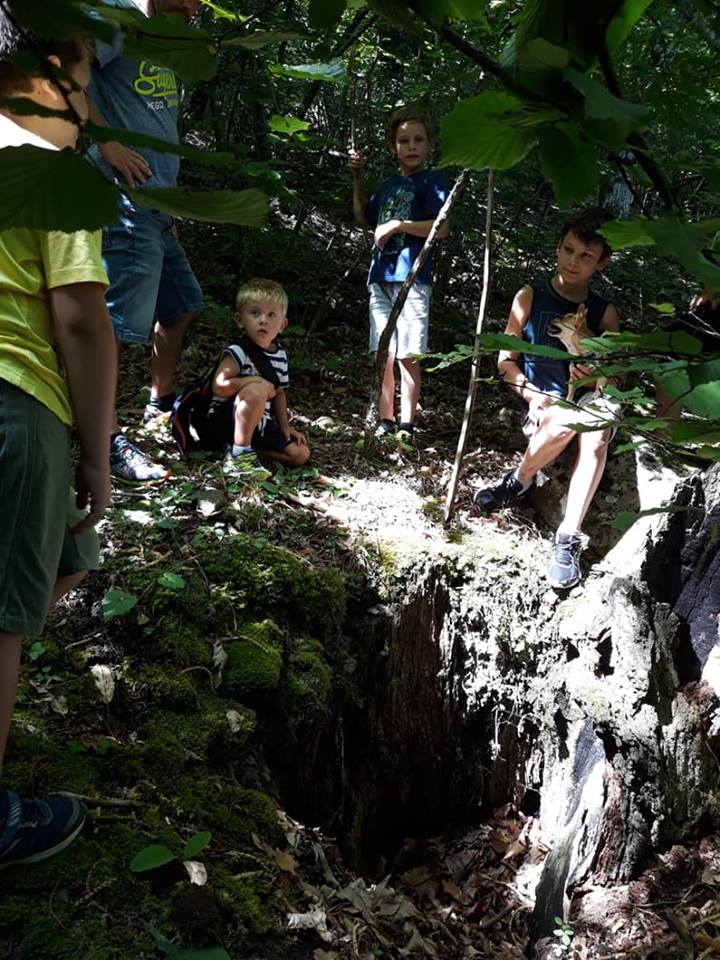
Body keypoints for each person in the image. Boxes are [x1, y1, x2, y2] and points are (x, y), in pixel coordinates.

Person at [0, 18, 115, 865]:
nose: (90, 107)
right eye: (83, 85)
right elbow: (79, 317)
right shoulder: (49, 170)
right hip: (17, 401)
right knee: (4, 619)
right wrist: (97, 454)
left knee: (68, 560)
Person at [473, 210, 620, 590]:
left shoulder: (604, 314)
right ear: (557, 248)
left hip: (589, 400)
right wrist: (529, 394)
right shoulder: (531, 296)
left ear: (602, 262)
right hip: (547, 402)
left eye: (585, 255)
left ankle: (567, 537)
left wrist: (596, 371)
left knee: (597, 432)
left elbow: (617, 374)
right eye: (568, 250)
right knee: (564, 420)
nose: (573, 261)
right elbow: (506, 359)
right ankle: (519, 481)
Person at [88, 0, 203, 483]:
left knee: (181, 303)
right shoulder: (118, 18)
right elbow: (67, 72)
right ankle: (105, 437)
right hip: (126, 197)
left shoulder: (163, 38)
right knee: (115, 323)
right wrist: (105, 144)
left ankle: (158, 403)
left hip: (160, 203)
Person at [348, 105, 449, 442]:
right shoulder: (389, 185)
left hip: (413, 279)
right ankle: (385, 418)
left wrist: (398, 225)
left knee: (408, 355)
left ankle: (407, 424)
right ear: (393, 147)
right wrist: (357, 177)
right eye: (403, 140)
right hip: (380, 278)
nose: (411, 146)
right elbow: (365, 218)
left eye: (418, 139)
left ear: (429, 144)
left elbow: (442, 228)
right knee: (384, 353)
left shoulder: (433, 181)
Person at [202, 278, 309, 479]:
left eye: (271, 315)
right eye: (255, 313)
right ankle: (240, 455)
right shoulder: (238, 351)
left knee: (300, 454)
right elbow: (219, 386)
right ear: (240, 320)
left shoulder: (280, 355)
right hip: (225, 419)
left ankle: (240, 450)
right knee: (257, 390)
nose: (263, 320)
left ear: (282, 325)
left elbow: (278, 392)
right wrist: (251, 382)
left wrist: (285, 426)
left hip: (260, 423)